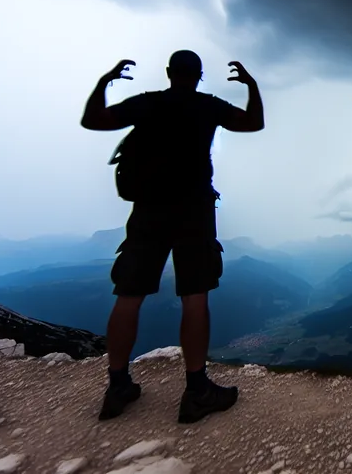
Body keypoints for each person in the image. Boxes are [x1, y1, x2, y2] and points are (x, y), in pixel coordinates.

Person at [80, 50, 264, 423]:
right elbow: (253, 123)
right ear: (198, 76)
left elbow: (93, 120)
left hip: (148, 211)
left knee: (128, 295)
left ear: (168, 73)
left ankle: (118, 385)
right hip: (194, 211)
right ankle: (196, 391)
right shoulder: (208, 106)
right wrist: (252, 86)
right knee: (194, 297)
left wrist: (105, 82)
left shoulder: (147, 104)